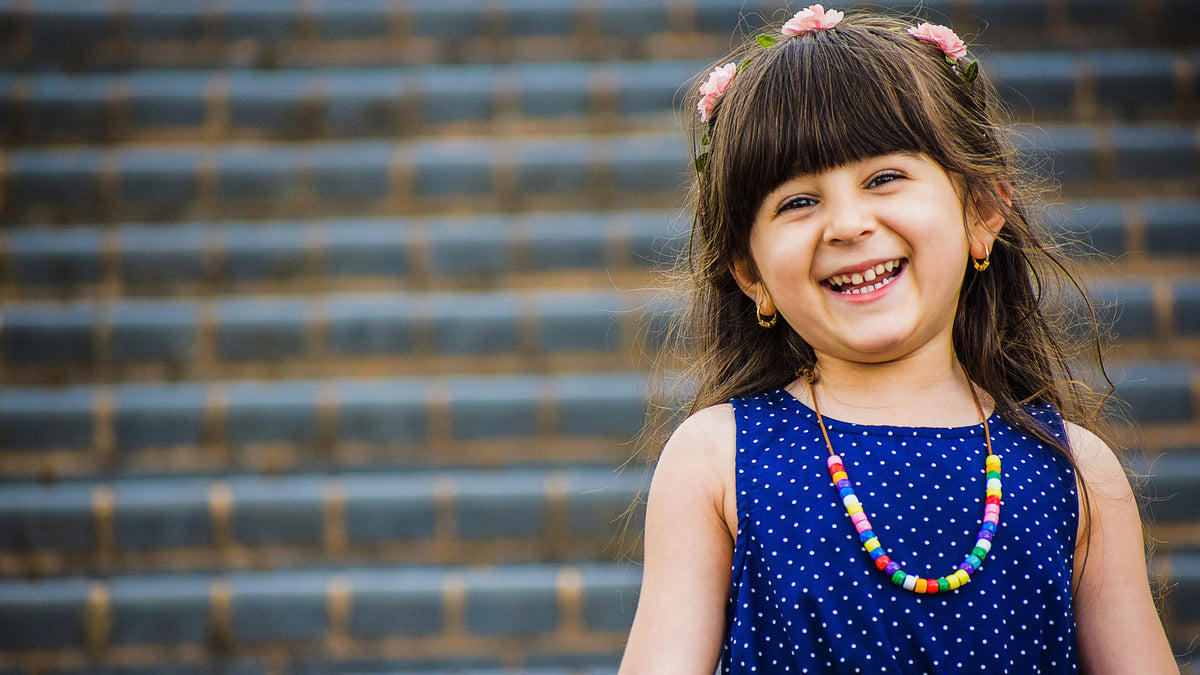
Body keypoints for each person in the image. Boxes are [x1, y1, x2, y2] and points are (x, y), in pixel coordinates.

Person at [618, 5, 1177, 673]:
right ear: (750, 274)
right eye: (798, 201)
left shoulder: (1077, 471)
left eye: (883, 178)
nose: (849, 223)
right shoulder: (716, 460)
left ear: (982, 212)